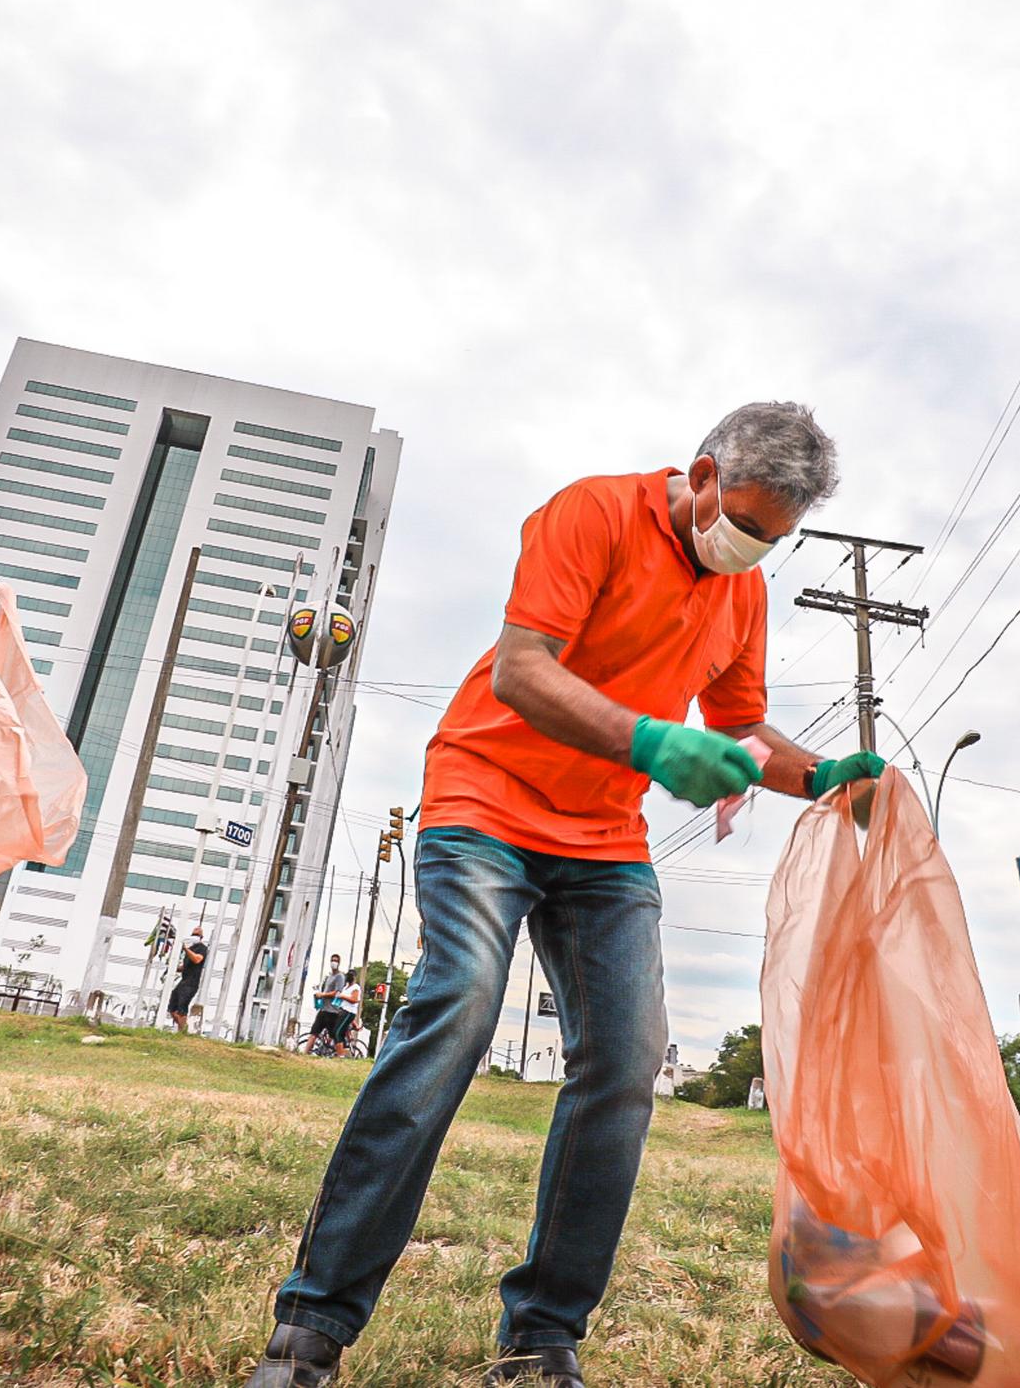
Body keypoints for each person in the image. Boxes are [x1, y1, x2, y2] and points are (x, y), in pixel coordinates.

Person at [245, 403, 882, 1388]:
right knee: (457, 1009)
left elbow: (744, 722)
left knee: (627, 1059)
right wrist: (650, 743)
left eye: (771, 542)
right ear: (703, 473)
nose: (747, 550)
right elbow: (520, 669)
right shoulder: (588, 515)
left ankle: (540, 1338)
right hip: (485, 801)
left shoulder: (740, 594)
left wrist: (823, 776)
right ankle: (311, 1329)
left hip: (601, 844)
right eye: (743, 523)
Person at [167, 933, 210, 1035]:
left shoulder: (202, 948)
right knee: (172, 1007)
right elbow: (185, 967)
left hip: (192, 982)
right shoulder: (190, 949)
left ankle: (182, 1032)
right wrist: (173, 966)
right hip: (184, 980)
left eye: (197, 934)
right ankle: (183, 1028)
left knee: (182, 1006)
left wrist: (185, 949)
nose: (195, 936)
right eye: (194, 934)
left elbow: (197, 959)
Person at [306, 955, 347, 1050]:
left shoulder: (340, 977)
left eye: (336, 961)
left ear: (339, 963)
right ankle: (305, 1053)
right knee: (314, 1032)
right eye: (332, 960)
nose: (334, 962)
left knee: (335, 1037)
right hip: (324, 1009)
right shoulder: (329, 976)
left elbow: (337, 992)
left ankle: (340, 1055)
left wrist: (323, 995)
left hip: (332, 1012)